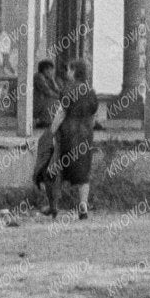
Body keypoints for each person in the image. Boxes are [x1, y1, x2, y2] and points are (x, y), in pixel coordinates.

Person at [51, 60, 101, 220]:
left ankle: (54, 206)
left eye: (69, 69)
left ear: (74, 71)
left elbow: (61, 113)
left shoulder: (67, 90)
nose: (67, 72)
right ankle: (83, 205)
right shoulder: (91, 91)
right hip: (86, 135)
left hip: (68, 134)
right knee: (83, 171)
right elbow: (93, 115)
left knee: (59, 168)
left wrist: (51, 132)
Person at [31, 58, 64, 216]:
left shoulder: (50, 79)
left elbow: (58, 90)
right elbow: (50, 93)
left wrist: (53, 81)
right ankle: (45, 120)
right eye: (49, 70)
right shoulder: (38, 78)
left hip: (48, 118)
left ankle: (52, 204)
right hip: (39, 107)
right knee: (53, 102)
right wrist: (60, 96)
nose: (52, 72)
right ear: (44, 69)